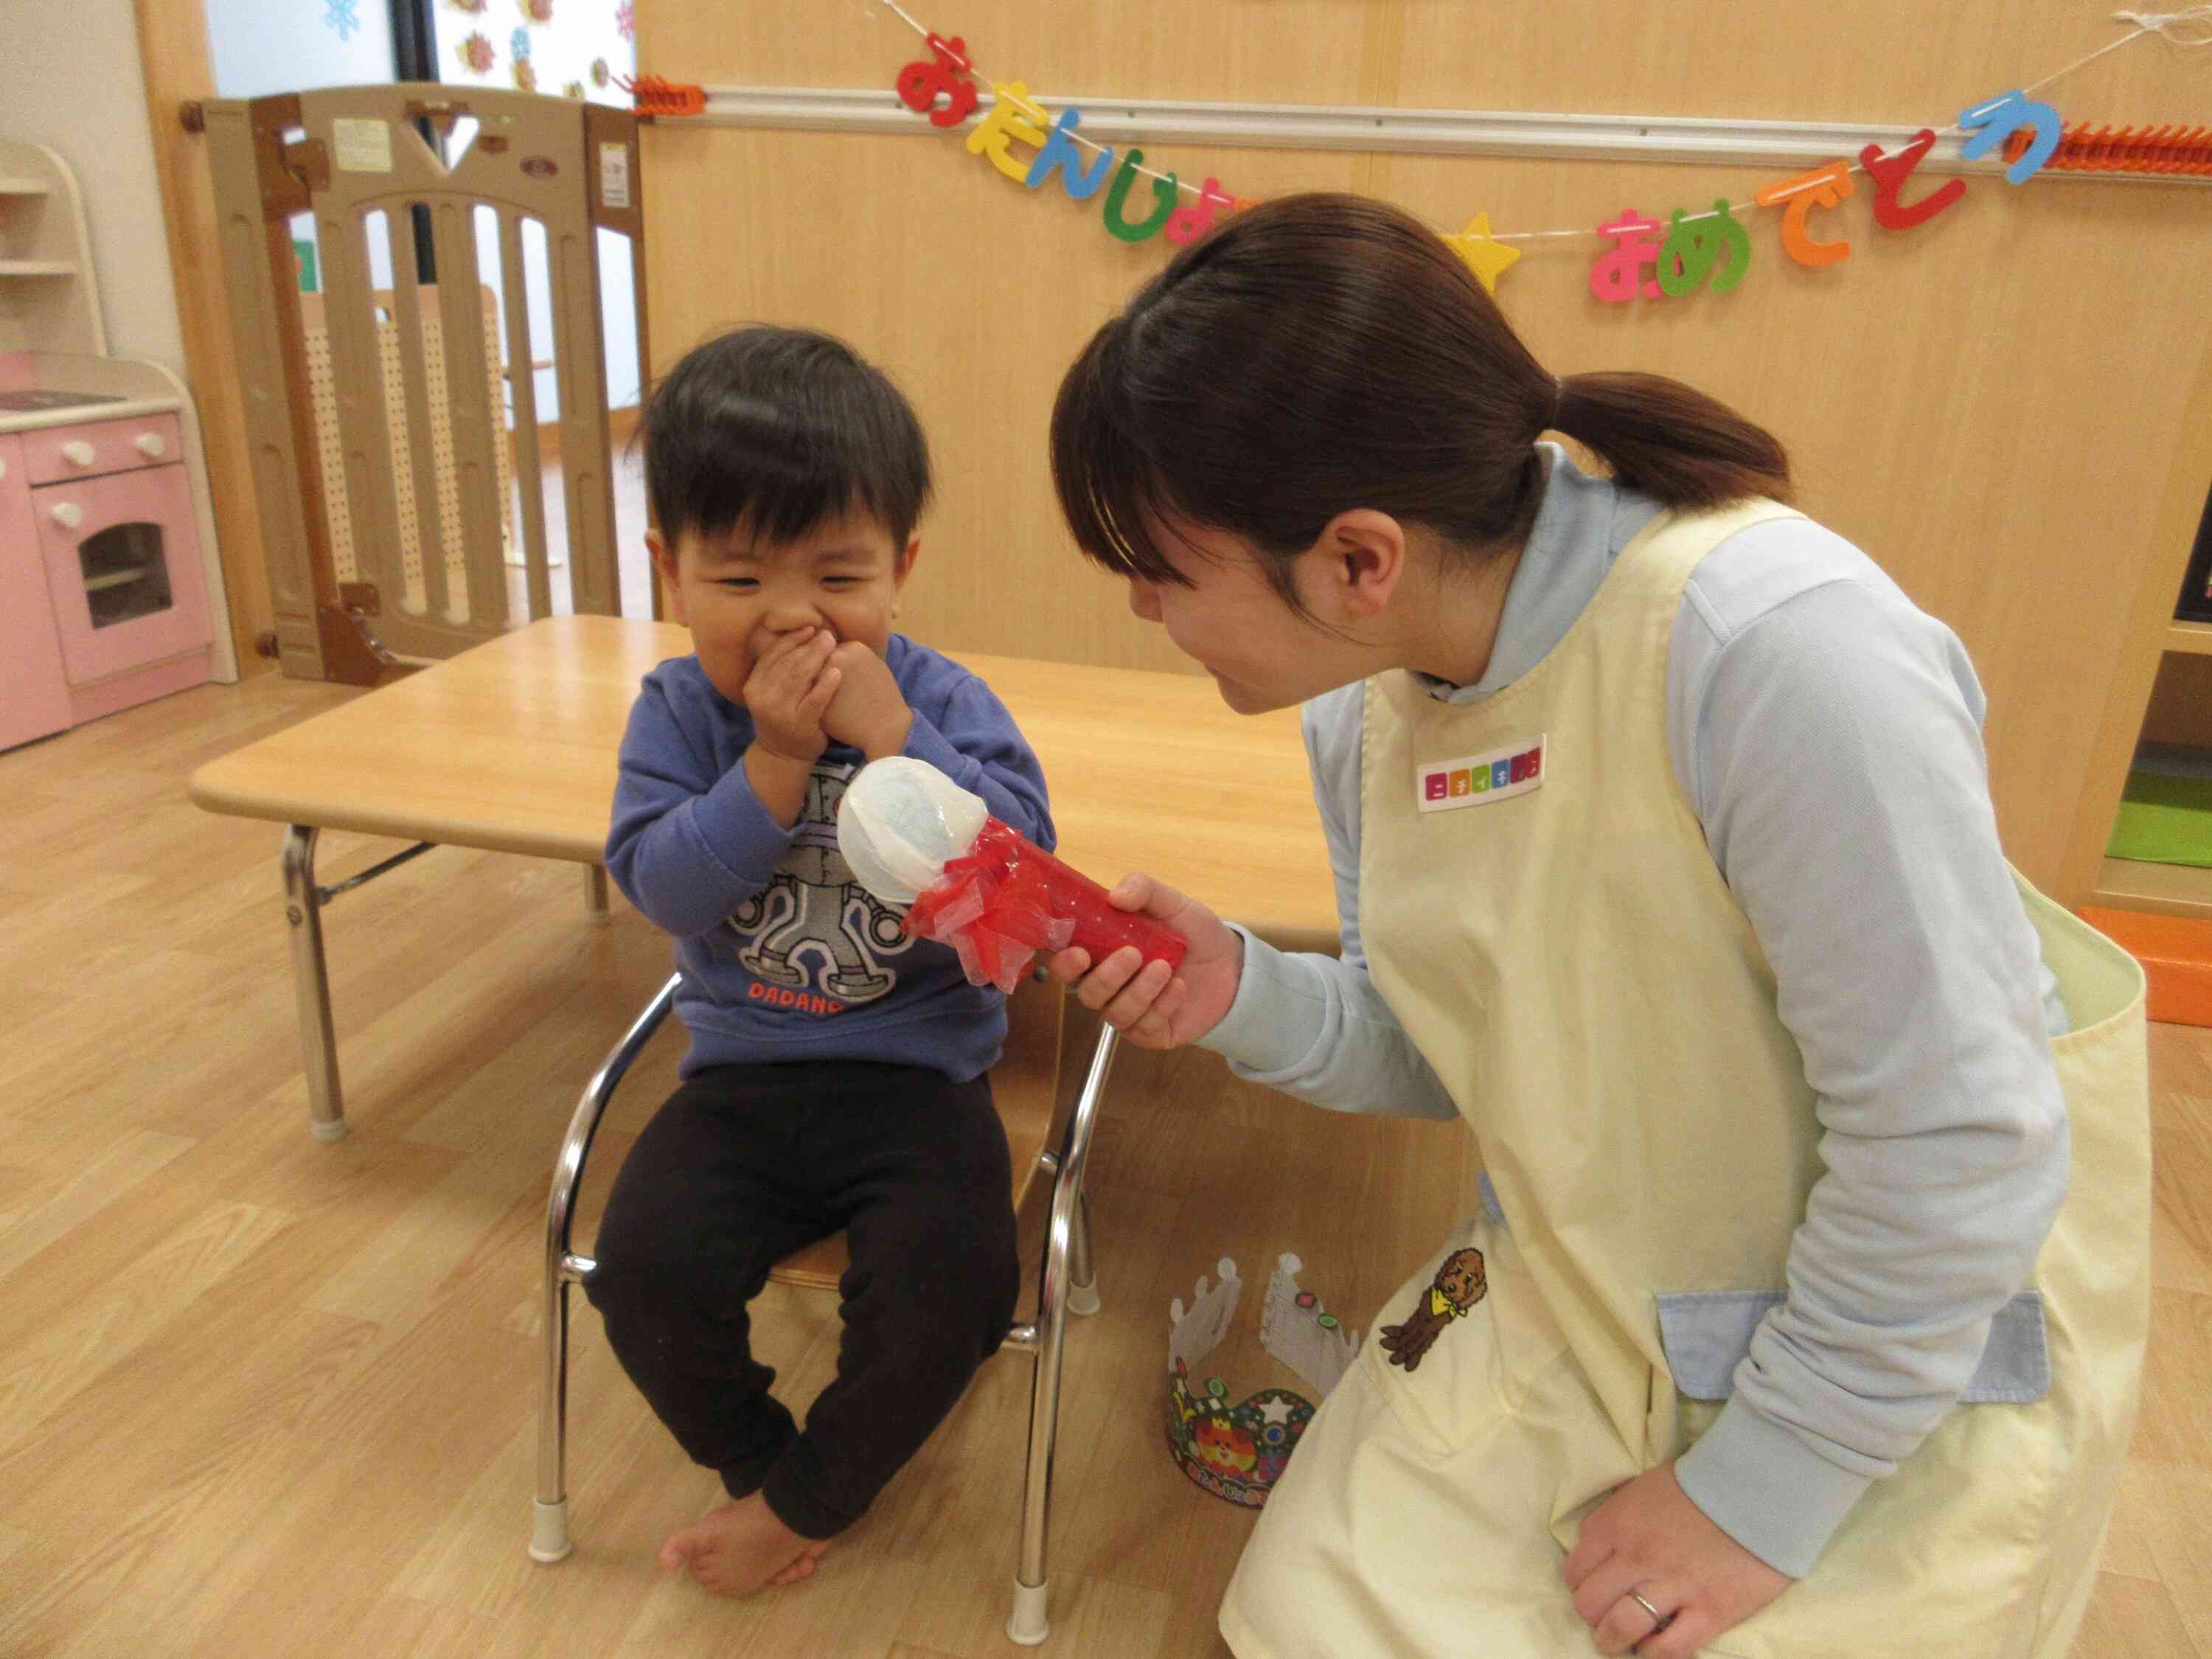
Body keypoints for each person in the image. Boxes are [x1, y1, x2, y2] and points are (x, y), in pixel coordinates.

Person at [1044, 195, 2149, 1658]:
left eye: (1166, 569)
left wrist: (1763, 1491)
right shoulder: (1368, 713)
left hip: (1889, 1364)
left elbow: (1960, 1141)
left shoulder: (1775, 646)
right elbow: (1454, 1052)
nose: (1140, 606)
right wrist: (1237, 988)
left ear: (1360, 558)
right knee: (1296, 1622)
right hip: (1575, 1305)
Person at [591, 326, 1054, 1599]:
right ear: (667, 569)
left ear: (901, 566)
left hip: (919, 1082)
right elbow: (663, 884)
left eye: (837, 575)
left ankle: (810, 1499)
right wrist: (775, 767)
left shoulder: (944, 706)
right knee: (639, 1271)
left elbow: (1023, 896)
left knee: (957, 1287)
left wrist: (894, 743)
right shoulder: (681, 717)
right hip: (740, 1081)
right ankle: (774, 1473)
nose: (793, 618)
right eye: (740, 580)